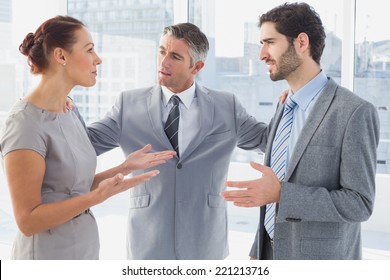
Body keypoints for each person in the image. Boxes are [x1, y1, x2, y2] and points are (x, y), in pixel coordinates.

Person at [84, 22, 269, 260]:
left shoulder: (226, 106)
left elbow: (268, 140)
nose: (163, 62)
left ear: (197, 66)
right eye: (161, 51)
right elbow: (84, 145)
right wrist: (59, 104)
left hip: (205, 242)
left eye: (175, 56)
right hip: (148, 242)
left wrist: (291, 103)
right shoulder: (128, 104)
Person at [0, 15, 175, 260]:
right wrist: (98, 197)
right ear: (61, 56)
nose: (98, 59)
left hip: (83, 248)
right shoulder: (24, 123)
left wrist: (124, 168)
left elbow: (71, 189)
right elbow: (27, 220)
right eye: (90, 50)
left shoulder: (69, 110)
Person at [221, 2, 380, 260]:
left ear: (301, 43)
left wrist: (283, 193)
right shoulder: (285, 105)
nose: (261, 54)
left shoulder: (354, 112)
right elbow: (276, 182)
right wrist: (258, 250)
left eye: (269, 42)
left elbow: (359, 204)